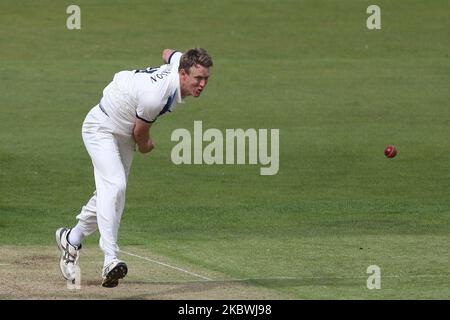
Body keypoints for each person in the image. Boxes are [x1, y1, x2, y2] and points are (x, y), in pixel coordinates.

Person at [55, 48, 213, 288]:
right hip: (101, 127)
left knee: (111, 193)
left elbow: (167, 52)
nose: (202, 84)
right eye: (197, 79)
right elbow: (141, 133)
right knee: (115, 186)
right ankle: (110, 259)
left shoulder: (181, 62)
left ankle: (72, 238)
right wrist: (147, 146)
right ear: (182, 73)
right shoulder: (155, 97)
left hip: (123, 133)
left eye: (206, 79)